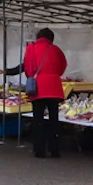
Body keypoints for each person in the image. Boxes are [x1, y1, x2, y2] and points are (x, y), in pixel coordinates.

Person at [23, 28, 67, 159]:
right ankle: (54, 150)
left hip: (39, 88)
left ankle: (39, 150)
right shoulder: (56, 49)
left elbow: (28, 68)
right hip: (54, 87)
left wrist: (34, 76)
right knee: (54, 119)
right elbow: (63, 66)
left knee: (38, 120)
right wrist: (53, 75)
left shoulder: (31, 48)